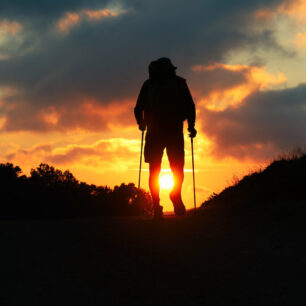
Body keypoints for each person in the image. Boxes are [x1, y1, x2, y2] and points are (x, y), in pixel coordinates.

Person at [134, 57, 197, 218]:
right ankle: (175, 194)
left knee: (154, 171)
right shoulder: (179, 83)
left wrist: (141, 124)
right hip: (174, 130)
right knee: (178, 168)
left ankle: (156, 206)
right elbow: (190, 106)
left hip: (154, 132)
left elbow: (137, 108)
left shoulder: (148, 85)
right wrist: (191, 126)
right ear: (171, 70)